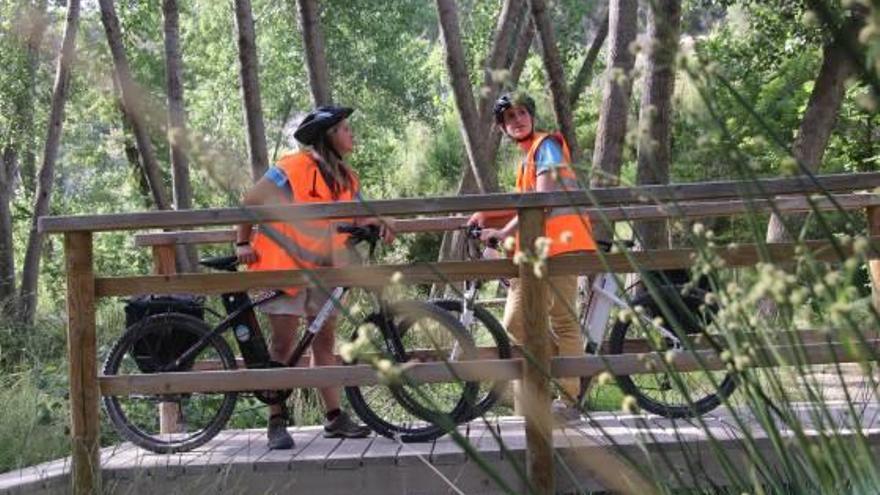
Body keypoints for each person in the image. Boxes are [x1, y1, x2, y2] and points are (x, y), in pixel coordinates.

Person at [236, 105, 391, 449]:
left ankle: (335, 417)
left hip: (324, 270)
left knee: (324, 342)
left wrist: (379, 223)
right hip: (285, 268)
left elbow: (360, 211)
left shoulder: (348, 178)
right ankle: (276, 421)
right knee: (283, 343)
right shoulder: (291, 168)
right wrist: (242, 241)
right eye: (346, 129)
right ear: (329, 135)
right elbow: (250, 200)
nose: (352, 135)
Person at [468, 92, 596, 424]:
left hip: (563, 246)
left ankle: (569, 402)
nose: (518, 120)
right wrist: (486, 216)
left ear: (532, 117)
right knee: (515, 323)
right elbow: (524, 206)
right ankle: (561, 377)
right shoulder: (528, 160)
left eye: (522, 113)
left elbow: (543, 199)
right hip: (538, 251)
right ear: (502, 128)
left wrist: (502, 234)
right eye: (509, 118)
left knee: (563, 322)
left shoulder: (547, 146)